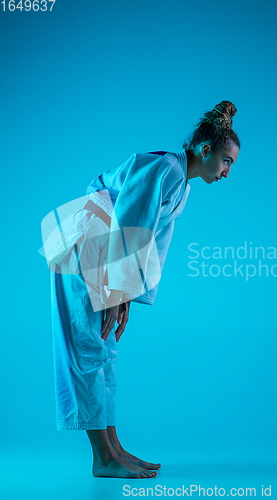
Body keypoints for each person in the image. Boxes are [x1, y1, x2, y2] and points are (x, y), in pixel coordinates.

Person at [40, 100, 240, 479]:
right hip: (86, 244)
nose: (228, 172)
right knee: (88, 345)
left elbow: (150, 243)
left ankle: (113, 449)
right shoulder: (164, 167)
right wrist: (116, 290)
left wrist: (127, 294)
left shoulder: (181, 187)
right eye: (227, 161)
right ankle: (103, 458)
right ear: (205, 149)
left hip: (102, 250)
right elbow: (129, 223)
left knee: (103, 348)